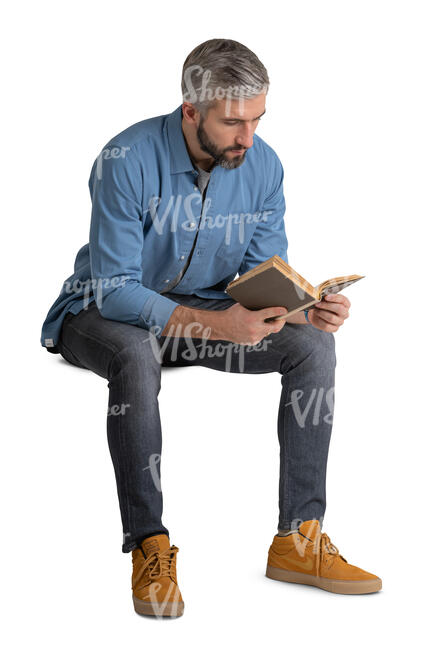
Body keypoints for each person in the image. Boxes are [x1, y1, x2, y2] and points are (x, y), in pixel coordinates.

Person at [40, 38, 381, 618]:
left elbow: (261, 276)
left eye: (257, 119)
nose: (248, 137)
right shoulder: (125, 158)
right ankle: (148, 544)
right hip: (99, 310)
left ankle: (298, 539)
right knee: (136, 352)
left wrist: (304, 309)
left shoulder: (264, 165)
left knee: (313, 346)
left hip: (205, 311)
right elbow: (118, 289)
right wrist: (218, 325)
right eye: (233, 122)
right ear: (191, 111)